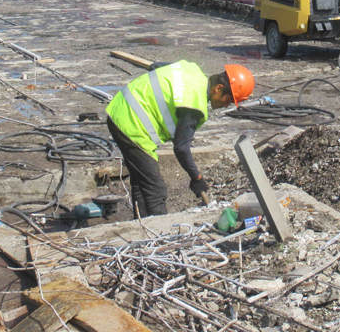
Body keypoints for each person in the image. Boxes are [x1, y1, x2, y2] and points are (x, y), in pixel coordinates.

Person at [106, 62, 254, 217]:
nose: (225, 106)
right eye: (228, 100)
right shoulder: (194, 104)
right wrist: (197, 178)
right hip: (131, 124)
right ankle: (160, 234)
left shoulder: (191, 70)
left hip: (120, 107)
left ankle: (140, 227)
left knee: (141, 181)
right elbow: (181, 148)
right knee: (155, 190)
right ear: (218, 88)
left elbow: (155, 67)